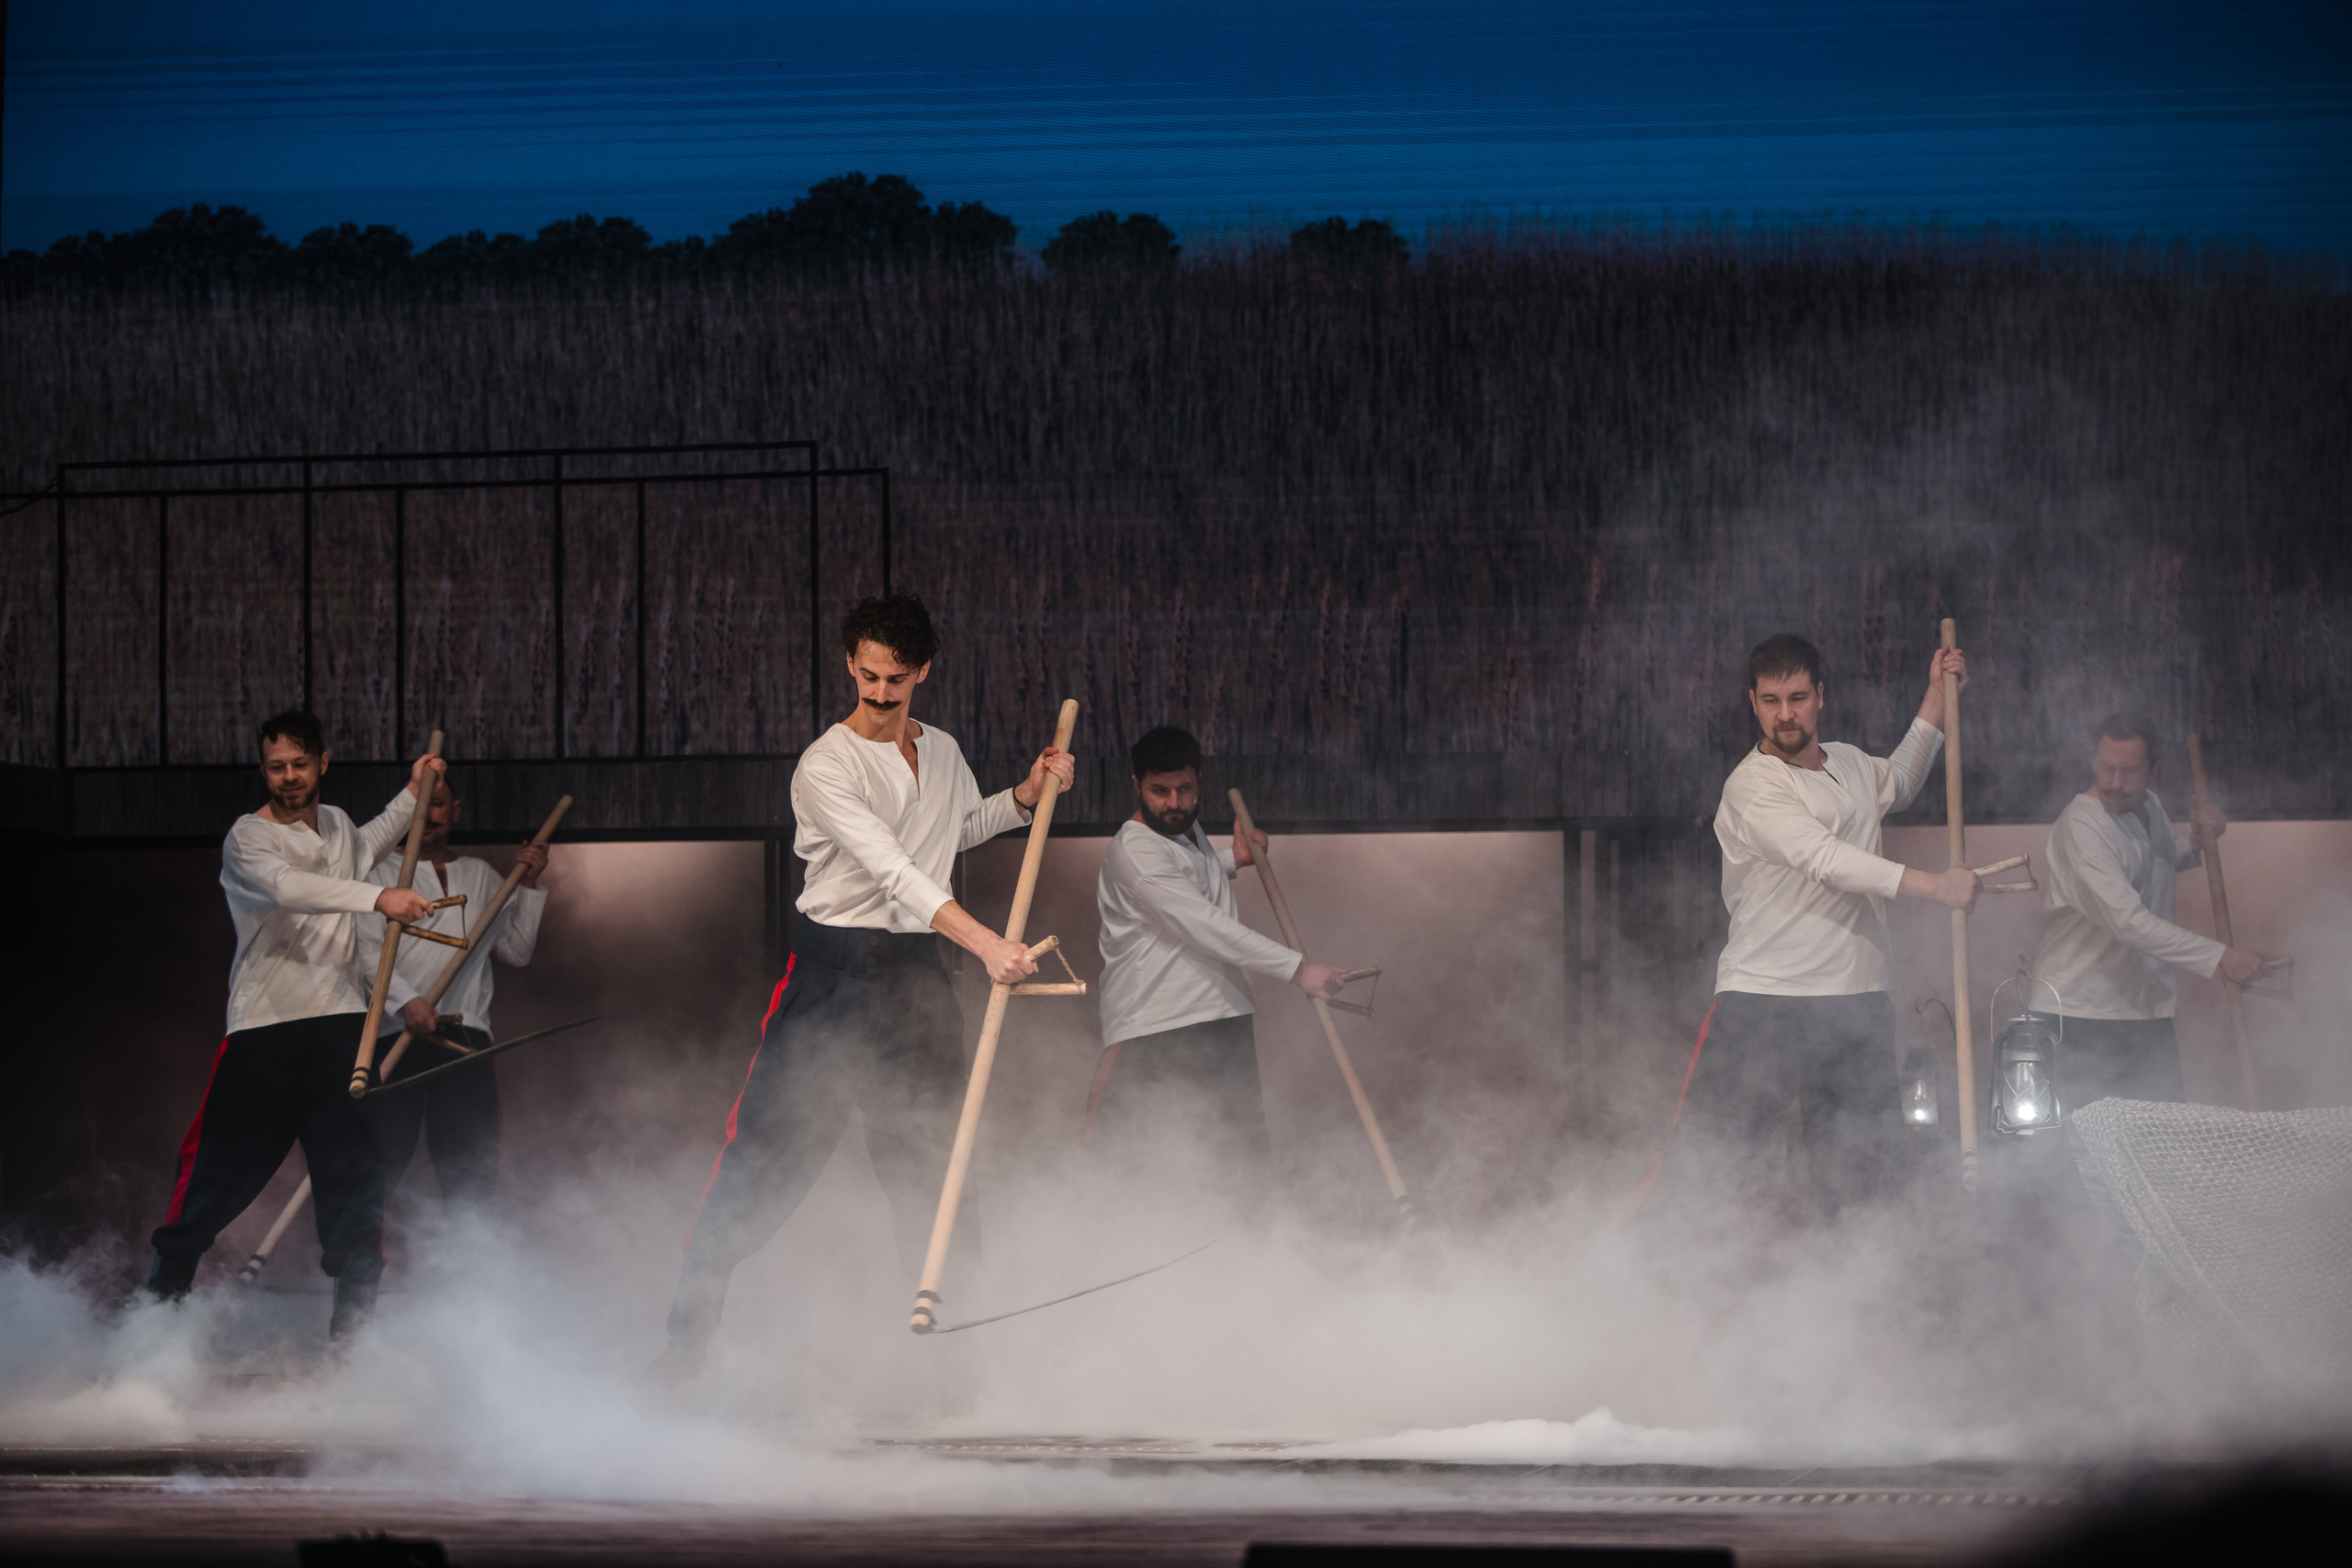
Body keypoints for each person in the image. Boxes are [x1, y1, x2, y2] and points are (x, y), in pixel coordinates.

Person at [652, 592, 1074, 1381]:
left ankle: (955, 1366)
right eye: (869, 675)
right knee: (762, 1161)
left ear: (923, 672)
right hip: (832, 979)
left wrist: (1024, 796)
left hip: (917, 980)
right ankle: (684, 1346)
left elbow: (952, 834)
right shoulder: (827, 765)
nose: (880, 693)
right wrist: (987, 943)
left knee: (937, 1163)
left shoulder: (941, 750)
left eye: (896, 679)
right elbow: (895, 870)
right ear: (851, 664)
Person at [1659, 634, 1977, 1224]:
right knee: (1704, 1170)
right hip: (1765, 1002)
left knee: (1866, 1179)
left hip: (1854, 999)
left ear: (1821, 697)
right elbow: (1826, 859)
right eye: (1771, 700)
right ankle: (1644, 1276)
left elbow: (1900, 780)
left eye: (1798, 698)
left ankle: (1865, 1283)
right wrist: (1938, 888)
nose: (1785, 714)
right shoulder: (1753, 785)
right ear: (1753, 703)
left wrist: (1936, 696)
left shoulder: (1850, 763)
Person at [146, 709, 443, 1337]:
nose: (288, 777)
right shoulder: (248, 838)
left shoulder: (336, 824)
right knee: (211, 1180)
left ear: (322, 763)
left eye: (299, 765)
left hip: (341, 1029)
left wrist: (412, 793)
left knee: (357, 1184)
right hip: (268, 1030)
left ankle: (353, 1341)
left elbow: (365, 846)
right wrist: (378, 897)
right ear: (263, 769)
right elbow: (291, 888)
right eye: (276, 766)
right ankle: (153, 1325)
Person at [1089, 726, 1352, 1190]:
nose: (1174, 803)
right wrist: (1298, 970)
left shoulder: (1186, 832)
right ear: (1136, 785)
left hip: (1222, 1013)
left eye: (1185, 789)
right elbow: (1206, 925)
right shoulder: (1134, 850)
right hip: (1158, 1025)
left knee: (1238, 1162)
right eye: (1160, 791)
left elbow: (1189, 879)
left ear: (1199, 782)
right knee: (1146, 1171)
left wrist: (1234, 858)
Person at [2030, 713, 2278, 1107]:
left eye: (2129, 771)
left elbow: (2150, 860)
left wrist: (2197, 842)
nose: (2115, 783)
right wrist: (2223, 958)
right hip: (2081, 1014)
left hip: (2143, 1008)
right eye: (2106, 768)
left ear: (2153, 771)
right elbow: (2129, 922)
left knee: (2160, 1135)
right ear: (2093, 762)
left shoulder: (2150, 806)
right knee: (2088, 1142)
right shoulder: (2082, 825)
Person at [356, 771, 549, 1210]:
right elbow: (364, 952)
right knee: (376, 1170)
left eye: (439, 804)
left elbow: (517, 951)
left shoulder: (481, 876)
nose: (429, 815)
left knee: (471, 1172)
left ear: (456, 810)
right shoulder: (377, 875)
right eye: (420, 805)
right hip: (393, 1039)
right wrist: (407, 1002)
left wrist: (528, 883)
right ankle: (360, 1257)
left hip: (465, 1038)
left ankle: (469, 1255)